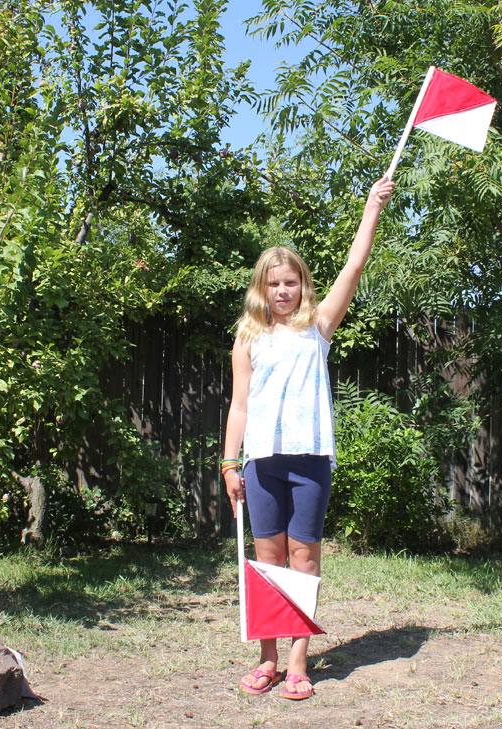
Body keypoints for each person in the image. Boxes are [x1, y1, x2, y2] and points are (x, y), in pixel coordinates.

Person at [222, 175, 395, 701]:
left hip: (310, 462)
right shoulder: (248, 337)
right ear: (261, 288)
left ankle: (298, 660)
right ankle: (268, 658)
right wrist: (229, 464)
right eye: (274, 283)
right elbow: (239, 405)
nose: (282, 291)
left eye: (291, 283)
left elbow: (355, 266)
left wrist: (371, 207)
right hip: (261, 463)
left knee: (304, 560)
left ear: (302, 286)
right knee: (267, 561)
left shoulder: (318, 327)